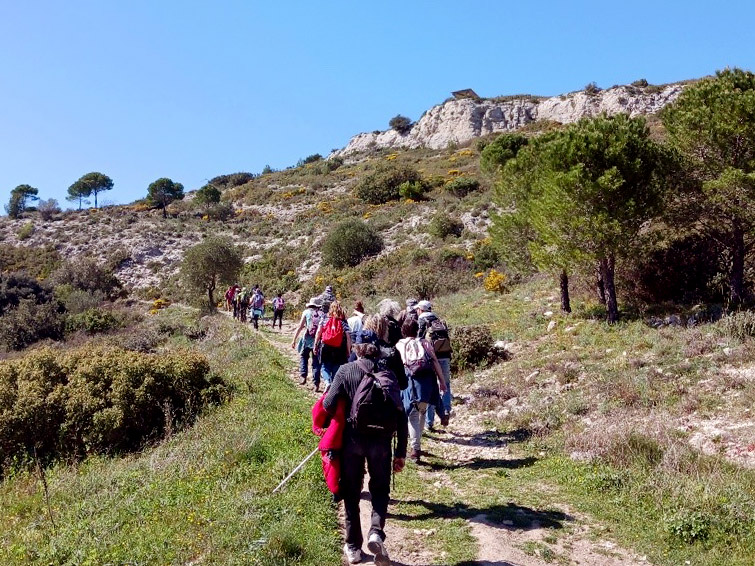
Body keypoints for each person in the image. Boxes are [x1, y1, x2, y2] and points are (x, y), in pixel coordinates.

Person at [322, 342, 408, 566]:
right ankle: (376, 533)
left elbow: (329, 404)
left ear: (357, 350)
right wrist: (401, 452)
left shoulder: (345, 370)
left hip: (352, 441)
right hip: (381, 443)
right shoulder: (388, 375)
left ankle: (353, 547)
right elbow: (401, 415)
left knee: (351, 492)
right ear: (378, 353)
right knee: (380, 488)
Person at [396, 318, 448, 463]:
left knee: (412, 415)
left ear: (403, 330)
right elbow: (435, 362)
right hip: (426, 383)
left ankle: (415, 448)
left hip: (409, 383)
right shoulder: (425, 343)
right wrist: (442, 382)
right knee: (422, 411)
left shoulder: (400, 345)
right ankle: (417, 443)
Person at [416, 300, 453, 431]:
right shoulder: (438, 320)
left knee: (432, 387)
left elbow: (418, 339)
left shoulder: (421, 320)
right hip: (445, 356)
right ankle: (447, 408)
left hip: (431, 358)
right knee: (446, 384)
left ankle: (429, 422)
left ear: (421, 309)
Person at [314, 301, 352, 388]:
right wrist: (348, 350)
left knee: (324, 366)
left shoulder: (324, 317)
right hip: (339, 348)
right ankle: (334, 387)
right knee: (336, 366)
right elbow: (348, 337)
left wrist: (315, 344)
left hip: (325, 346)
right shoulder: (343, 320)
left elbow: (319, 331)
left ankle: (327, 382)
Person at [291, 297, 323, 391]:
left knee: (304, 357)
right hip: (318, 342)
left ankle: (303, 376)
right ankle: (316, 383)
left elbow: (300, 326)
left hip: (307, 339)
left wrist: (294, 339)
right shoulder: (322, 314)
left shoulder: (306, 312)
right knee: (316, 362)